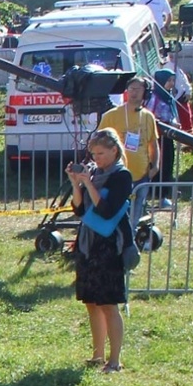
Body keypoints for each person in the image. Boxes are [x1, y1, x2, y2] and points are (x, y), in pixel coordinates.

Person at [67, 129, 133, 372]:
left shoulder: (122, 176)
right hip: (88, 243)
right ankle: (97, 354)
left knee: (108, 303)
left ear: (114, 151)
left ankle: (114, 360)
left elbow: (105, 210)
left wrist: (88, 184)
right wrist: (77, 184)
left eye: (101, 153)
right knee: (91, 303)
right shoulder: (94, 174)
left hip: (109, 246)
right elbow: (80, 210)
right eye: (93, 154)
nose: (97, 159)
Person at [97, 78, 160, 183]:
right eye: (131, 88)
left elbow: (153, 144)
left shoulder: (148, 116)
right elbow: (98, 143)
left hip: (143, 175)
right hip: (118, 175)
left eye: (138, 89)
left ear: (145, 92)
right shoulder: (111, 115)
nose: (134, 92)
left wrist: (155, 167)